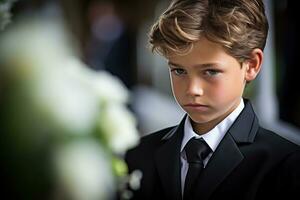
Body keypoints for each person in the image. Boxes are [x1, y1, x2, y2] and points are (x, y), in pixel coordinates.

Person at [125, 0, 300, 199]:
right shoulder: (138, 154)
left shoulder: (287, 164)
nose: (193, 89)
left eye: (210, 71)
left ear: (251, 65)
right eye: (179, 70)